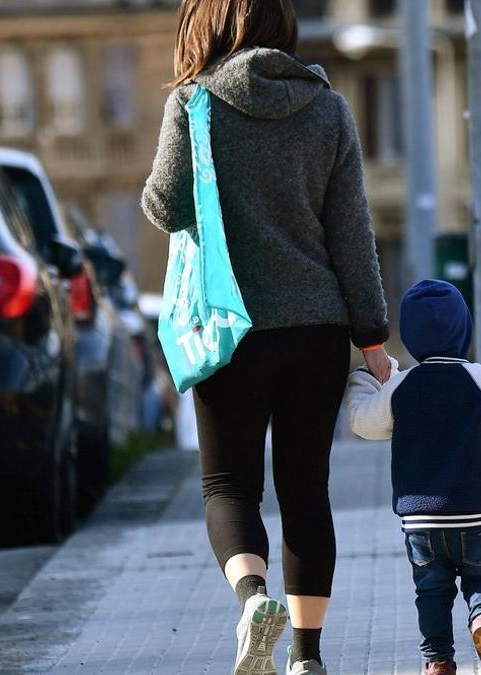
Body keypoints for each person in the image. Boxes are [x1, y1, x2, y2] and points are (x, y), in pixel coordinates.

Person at [141, 1, 392, 673]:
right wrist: (373, 338)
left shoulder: (195, 105)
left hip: (229, 329)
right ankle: (308, 658)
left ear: (208, 27)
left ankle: (254, 601)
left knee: (228, 486)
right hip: (316, 329)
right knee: (307, 489)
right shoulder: (328, 108)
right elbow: (352, 236)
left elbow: (164, 205)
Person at [346, 280, 481, 675]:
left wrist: (364, 380)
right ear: (465, 329)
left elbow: (363, 422)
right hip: (477, 514)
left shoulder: (403, 386)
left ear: (411, 336)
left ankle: (437, 660)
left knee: (430, 591)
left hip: (421, 522)